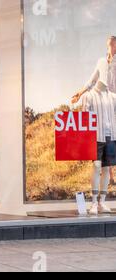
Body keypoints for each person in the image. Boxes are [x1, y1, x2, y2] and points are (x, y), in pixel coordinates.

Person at [72, 36, 116, 215]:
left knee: (107, 166)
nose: (112, 47)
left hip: (110, 126)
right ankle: (93, 202)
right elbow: (91, 80)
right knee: (98, 165)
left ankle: (102, 201)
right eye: (111, 44)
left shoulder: (113, 96)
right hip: (96, 132)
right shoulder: (101, 62)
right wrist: (80, 93)